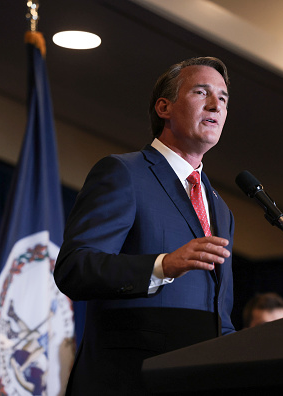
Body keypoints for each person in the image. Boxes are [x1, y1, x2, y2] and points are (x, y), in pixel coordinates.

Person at [54, 56, 235, 395]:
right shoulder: (124, 173)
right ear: (164, 107)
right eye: (201, 92)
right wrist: (162, 265)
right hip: (129, 380)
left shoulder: (220, 209)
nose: (215, 105)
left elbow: (219, 315)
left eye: (223, 98)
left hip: (196, 382)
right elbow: (74, 268)